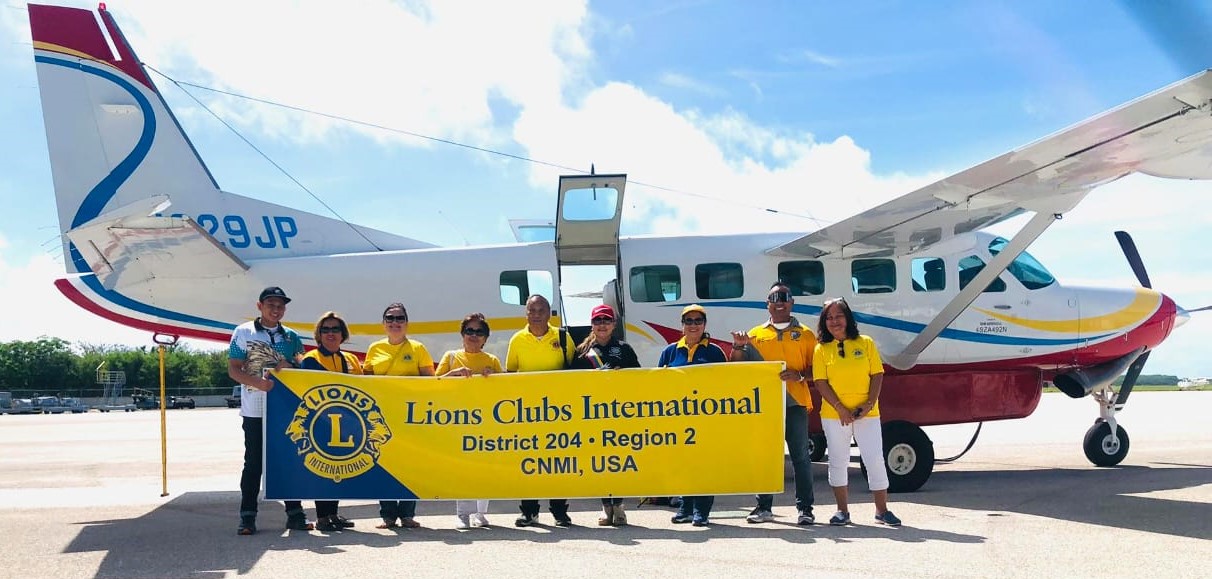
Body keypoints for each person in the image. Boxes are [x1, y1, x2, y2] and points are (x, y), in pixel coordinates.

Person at [730, 281, 819, 525]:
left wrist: (799, 375)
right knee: (766, 456)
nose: (779, 302)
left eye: (784, 297)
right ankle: (763, 507)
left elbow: (820, 369)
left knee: (801, 456)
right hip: (765, 405)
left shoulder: (806, 334)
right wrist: (738, 347)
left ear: (792, 302)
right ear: (767, 304)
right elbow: (738, 365)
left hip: (795, 403)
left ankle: (805, 509)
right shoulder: (755, 335)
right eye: (774, 298)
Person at [228, 286, 311, 535]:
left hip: (285, 411)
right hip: (255, 409)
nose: (276, 309)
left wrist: (292, 367)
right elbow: (233, 369)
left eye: (280, 305)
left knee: (288, 460)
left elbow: (303, 367)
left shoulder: (292, 337)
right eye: (271, 304)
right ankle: (247, 516)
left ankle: (295, 514)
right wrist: (257, 383)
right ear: (260, 306)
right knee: (253, 463)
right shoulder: (243, 332)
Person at [812, 297, 902, 527]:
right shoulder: (821, 349)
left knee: (874, 459)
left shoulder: (866, 342)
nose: (834, 322)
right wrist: (841, 409)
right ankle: (842, 511)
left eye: (838, 316)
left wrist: (869, 403)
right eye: (829, 318)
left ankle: (882, 510)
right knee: (838, 461)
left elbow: (877, 374)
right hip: (834, 415)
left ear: (848, 318)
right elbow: (821, 382)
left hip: (867, 414)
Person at [363, 302, 434, 529]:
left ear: (407, 323)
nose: (395, 322)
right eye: (390, 318)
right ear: (384, 323)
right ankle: (387, 516)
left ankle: (407, 514)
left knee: (409, 465)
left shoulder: (418, 348)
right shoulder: (374, 349)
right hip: (381, 416)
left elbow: (429, 382)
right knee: (384, 464)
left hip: (410, 417)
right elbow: (365, 382)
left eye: (399, 318)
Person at [506, 294, 575, 527]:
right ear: (526, 313)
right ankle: (529, 512)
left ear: (549, 313)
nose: (536, 315)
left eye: (541, 310)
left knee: (558, 463)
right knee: (528, 463)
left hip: (559, 412)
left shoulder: (564, 337)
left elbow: (576, 371)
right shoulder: (517, 340)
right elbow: (510, 373)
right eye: (531, 310)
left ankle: (559, 511)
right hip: (528, 412)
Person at [569, 304, 640, 526]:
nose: (602, 325)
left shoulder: (624, 348)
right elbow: (569, 382)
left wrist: (623, 376)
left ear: (614, 324)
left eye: (606, 320)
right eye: (598, 321)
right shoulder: (582, 352)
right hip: (593, 414)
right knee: (600, 461)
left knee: (618, 460)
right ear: (592, 324)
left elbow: (640, 377)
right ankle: (605, 507)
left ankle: (618, 505)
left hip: (619, 413)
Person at [657, 304, 727, 527]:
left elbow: (725, 384)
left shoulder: (714, 352)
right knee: (684, 463)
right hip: (679, 418)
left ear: (704, 325)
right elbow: (657, 384)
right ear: (682, 325)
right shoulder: (669, 351)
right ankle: (685, 508)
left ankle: (701, 511)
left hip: (705, 419)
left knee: (704, 464)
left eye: (698, 320)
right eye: (689, 321)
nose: (693, 325)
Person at [436, 313, 503, 529]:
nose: (474, 336)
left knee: (484, 467)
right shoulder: (451, 356)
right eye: (469, 331)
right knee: (462, 468)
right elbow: (433, 385)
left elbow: (505, 389)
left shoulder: (492, 360)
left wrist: (493, 378)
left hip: (485, 420)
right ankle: (463, 514)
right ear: (462, 335)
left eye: (479, 332)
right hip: (458, 419)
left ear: (485, 338)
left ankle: (481, 513)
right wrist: (452, 374)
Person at [298, 311, 361, 532]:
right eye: (326, 330)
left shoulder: (352, 359)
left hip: (345, 423)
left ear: (342, 333)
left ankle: (333, 513)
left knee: (338, 470)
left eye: (335, 329)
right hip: (321, 422)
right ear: (319, 334)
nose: (331, 333)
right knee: (322, 469)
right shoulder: (311, 359)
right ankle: (323, 516)